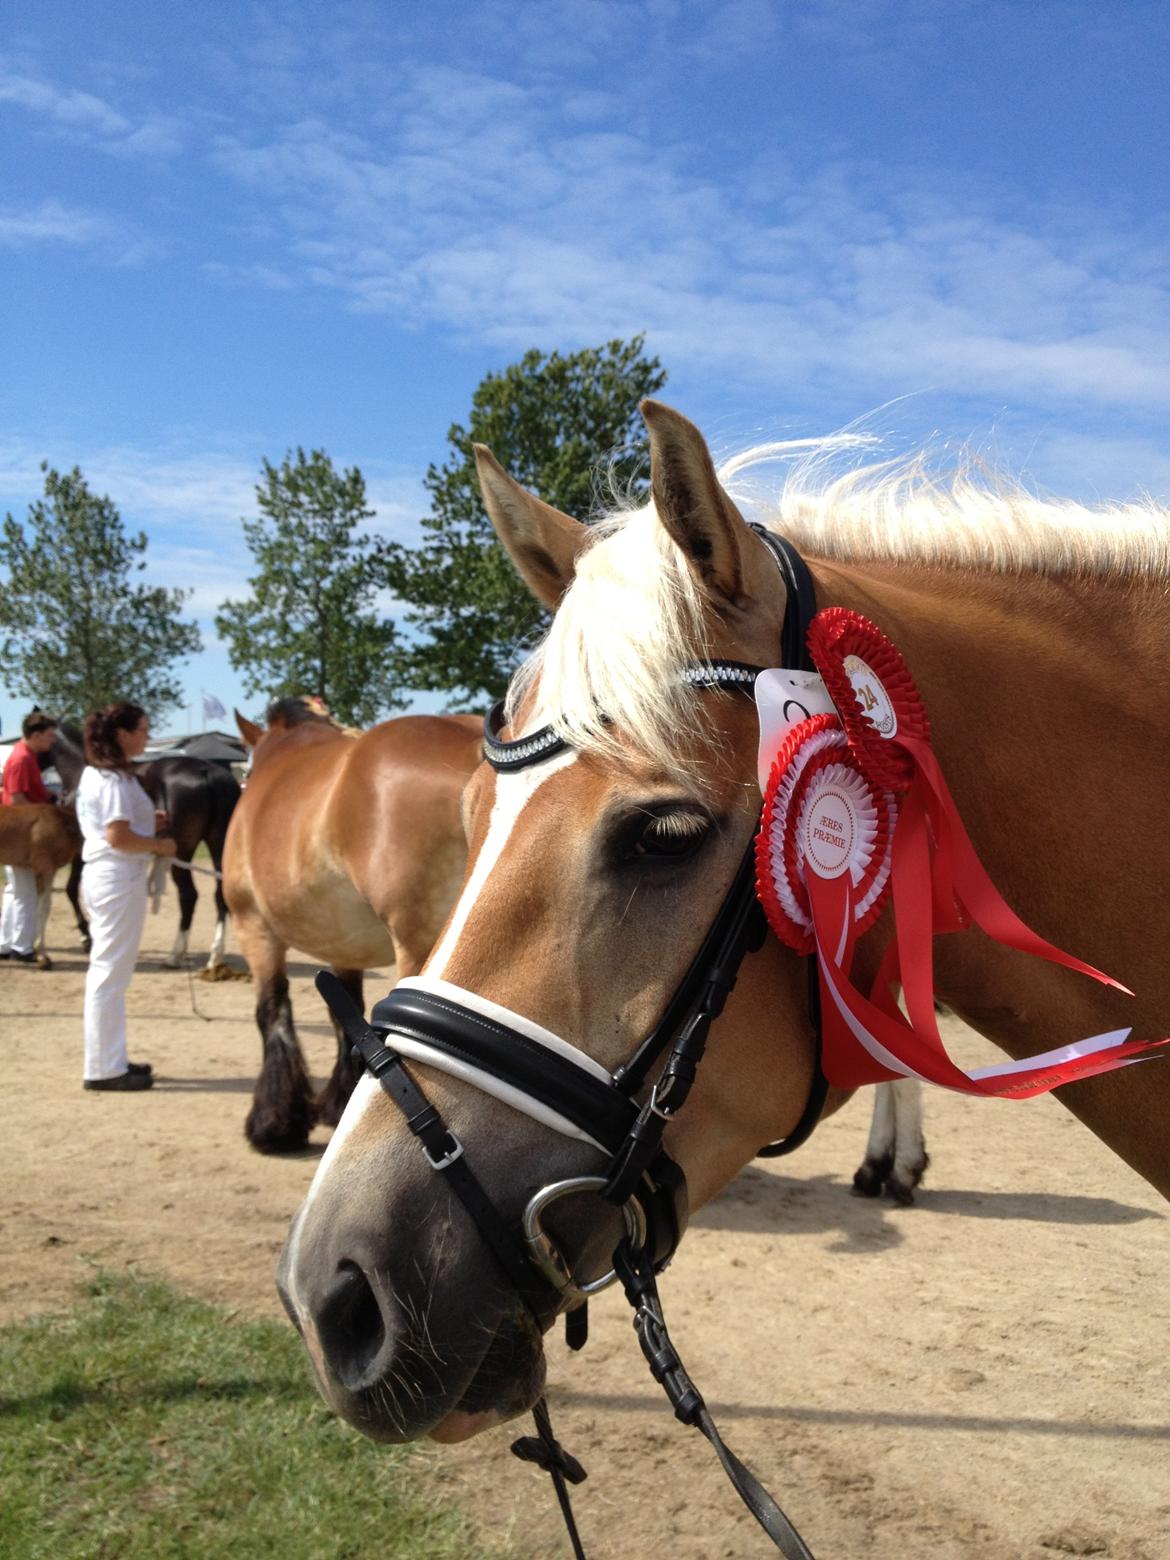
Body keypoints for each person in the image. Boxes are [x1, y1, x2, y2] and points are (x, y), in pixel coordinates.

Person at [75, 702, 176, 1092]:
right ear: (123, 734)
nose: (147, 736)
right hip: (118, 877)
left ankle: (109, 1058)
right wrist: (158, 845)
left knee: (111, 972)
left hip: (110, 877)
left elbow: (114, 826)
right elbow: (118, 837)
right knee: (109, 974)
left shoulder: (99, 774)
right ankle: (103, 1068)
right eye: (143, 730)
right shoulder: (115, 780)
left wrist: (147, 822)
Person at [0, 709, 59, 963]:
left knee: (15, 889)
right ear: (35, 735)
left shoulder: (25, 756)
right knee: (27, 891)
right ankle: (22, 947)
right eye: (48, 735)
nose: (52, 740)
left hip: (16, 831)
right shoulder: (22, 758)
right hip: (21, 832)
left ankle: (5, 943)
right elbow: (17, 799)